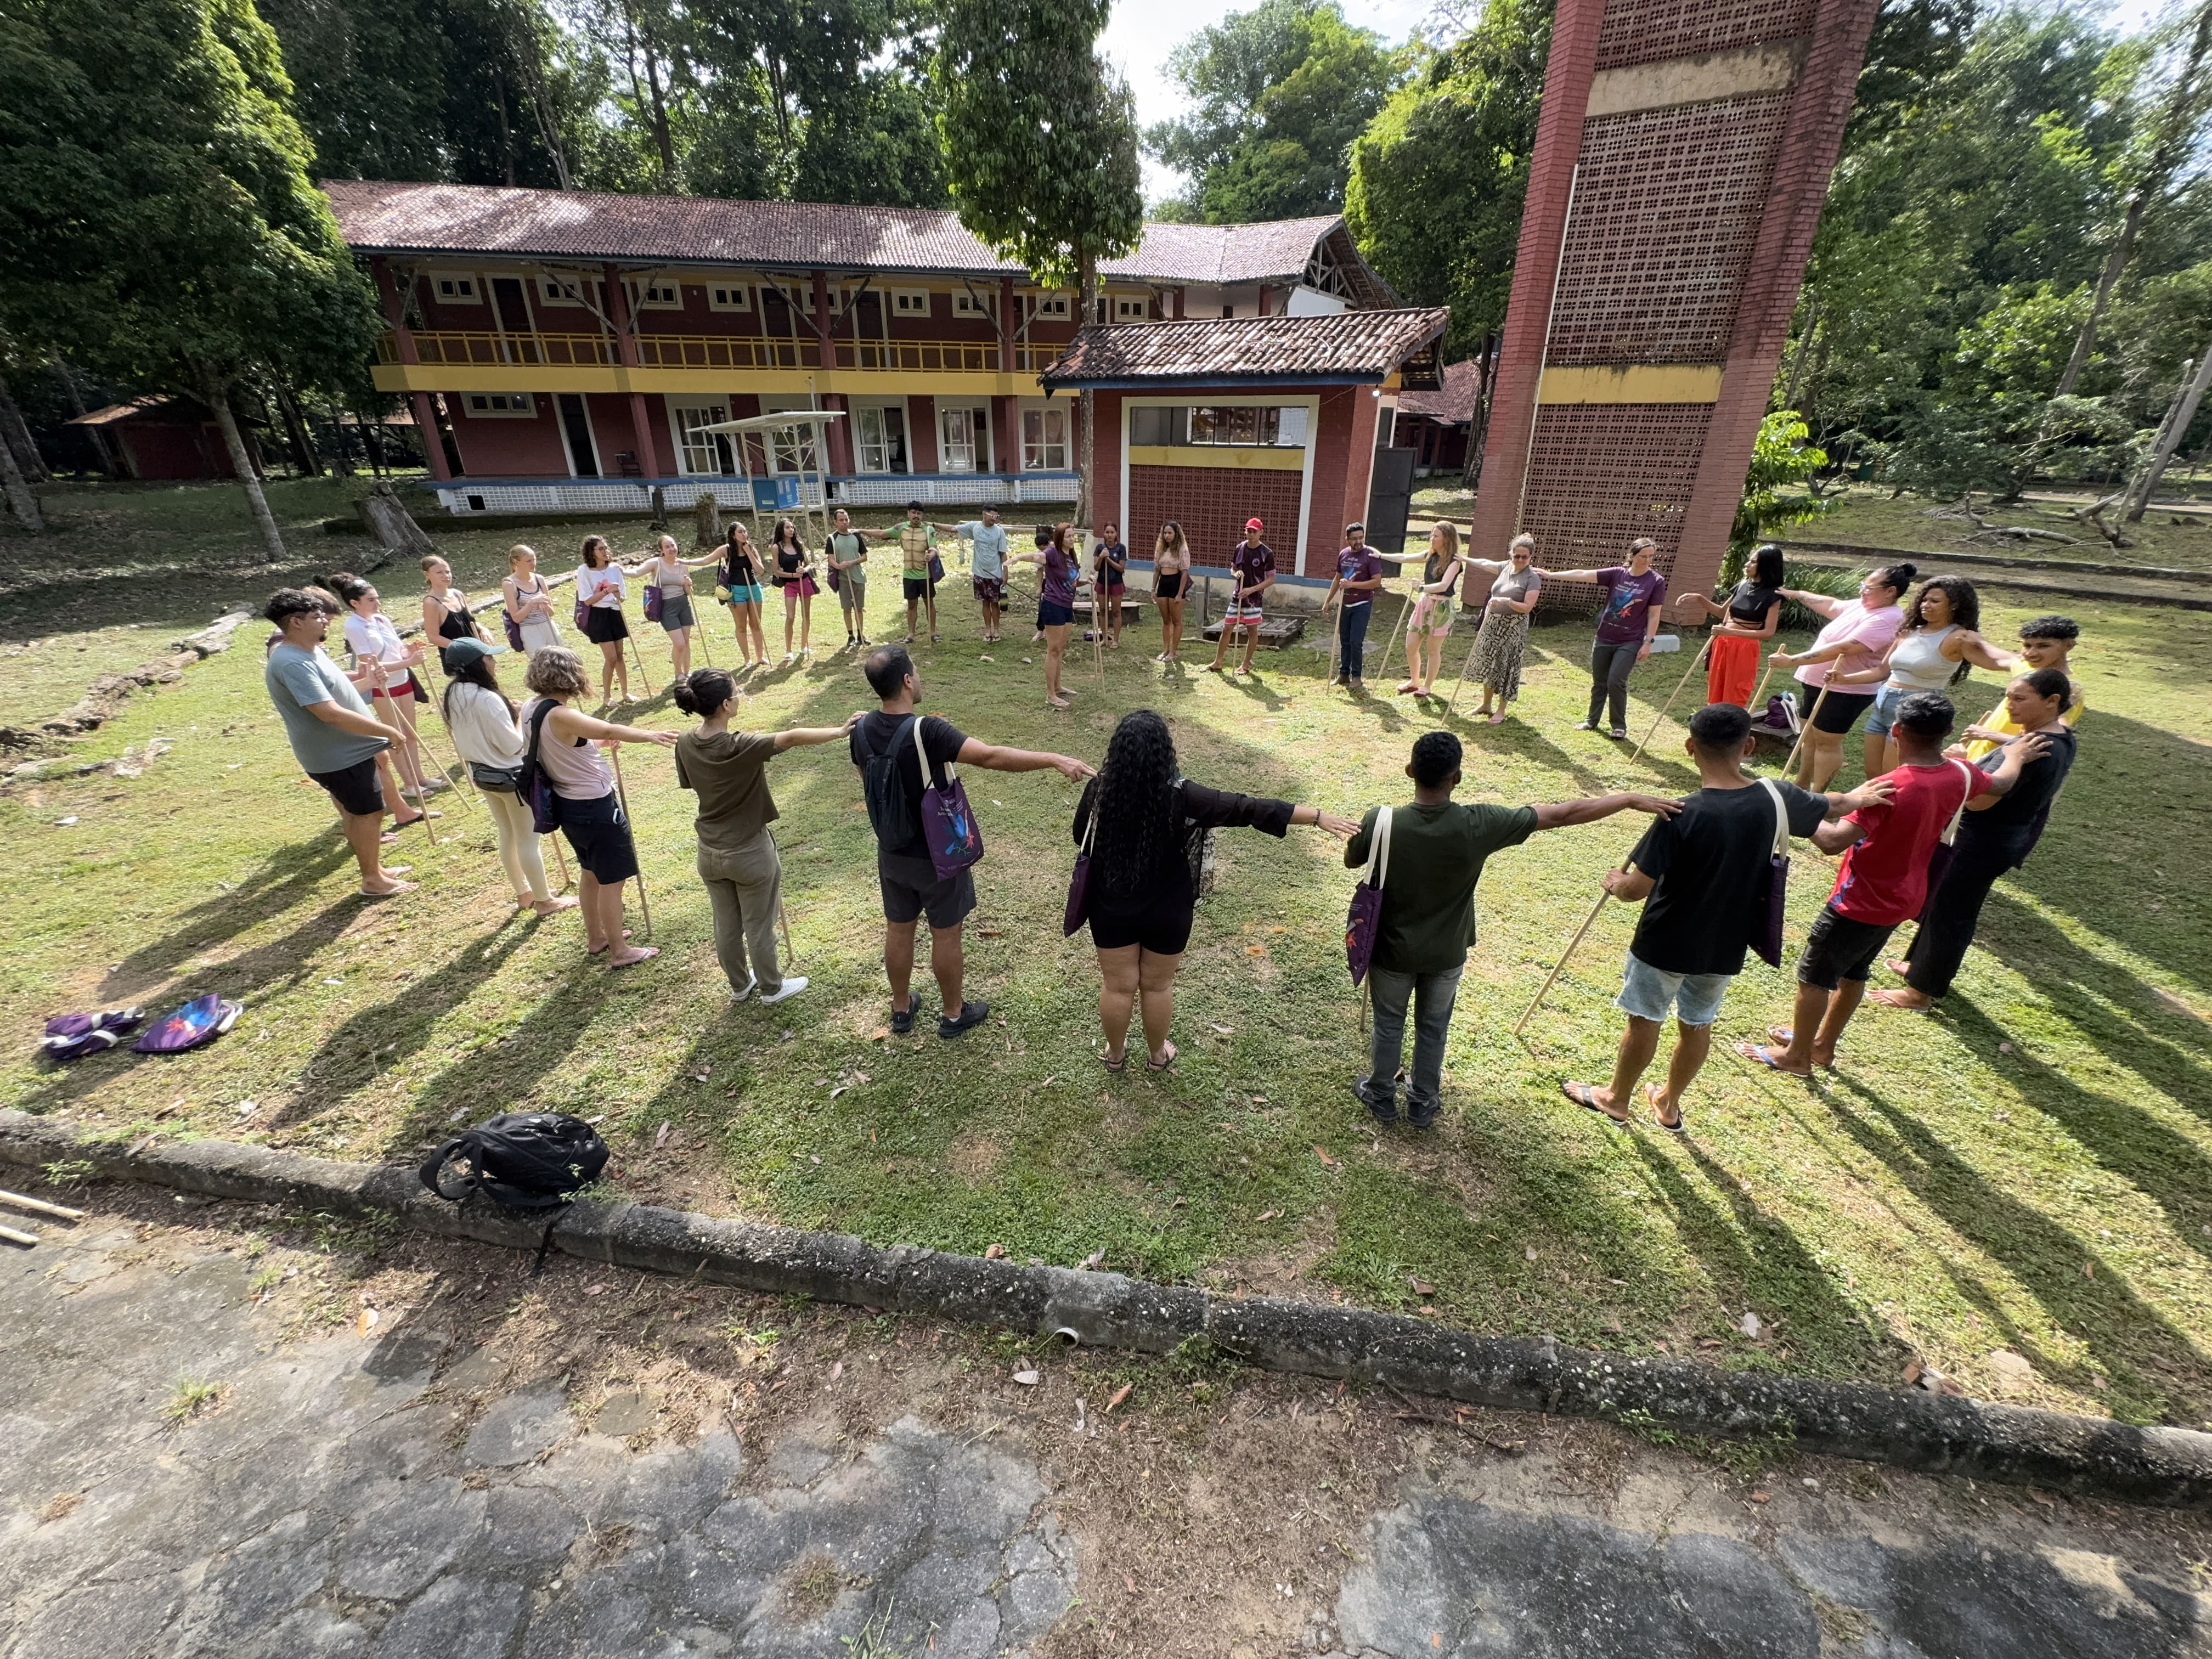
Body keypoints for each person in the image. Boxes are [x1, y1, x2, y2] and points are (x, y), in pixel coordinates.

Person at [1560, 702, 1892, 1130]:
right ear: (1749, 745)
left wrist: (1613, 882)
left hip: (1666, 940)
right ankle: (1668, 1102)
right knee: (1697, 1023)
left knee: (1645, 1020)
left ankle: (1616, 1098)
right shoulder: (1778, 796)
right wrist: (1862, 802)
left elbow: (1635, 889)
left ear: (1689, 747)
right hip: (1727, 940)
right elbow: (1833, 805)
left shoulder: (1679, 812)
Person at [1348, 732, 1678, 1127]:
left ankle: (1381, 1093)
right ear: (1458, 778)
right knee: (1434, 1027)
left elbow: (1354, 860)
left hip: (1390, 952)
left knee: (1389, 1023)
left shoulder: (1381, 821)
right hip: (1447, 953)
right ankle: (1423, 1102)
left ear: (1409, 771)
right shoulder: (1480, 823)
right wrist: (1626, 799)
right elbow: (1562, 814)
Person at [1076, 710, 1357, 1073]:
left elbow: (1080, 837)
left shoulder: (1099, 790)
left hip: (1111, 905)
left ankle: (1115, 1056)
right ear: (1166, 752)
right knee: (1157, 988)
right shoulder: (1186, 796)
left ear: (1118, 751)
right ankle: (1158, 1056)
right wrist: (1316, 816)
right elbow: (1247, 807)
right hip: (1169, 911)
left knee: (1118, 987)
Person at [1735, 692, 2000, 1073]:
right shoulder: (1962, 773)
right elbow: (2000, 782)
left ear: (1896, 732)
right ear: (1949, 732)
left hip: (1860, 900)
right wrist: (2019, 752)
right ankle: (1821, 1046)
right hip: (1904, 897)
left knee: (1814, 977)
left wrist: (1793, 807)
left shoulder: (1889, 787)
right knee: (1853, 972)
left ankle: (1797, 1058)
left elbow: (1831, 841)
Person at [850, 645, 1092, 1037]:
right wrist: (1053, 758)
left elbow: (868, 781)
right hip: (937, 852)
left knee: (899, 928)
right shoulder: (927, 730)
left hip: (891, 851)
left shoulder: (859, 729)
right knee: (945, 933)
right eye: (917, 669)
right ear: (907, 681)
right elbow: (990, 756)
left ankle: (900, 1008)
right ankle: (952, 1014)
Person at [1871, 669, 2078, 1011]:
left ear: (2052, 701)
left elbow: (1980, 799)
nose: (2010, 706)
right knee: (1940, 902)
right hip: (2001, 836)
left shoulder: (2038, 748)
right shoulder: (2056, 736)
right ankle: (1918, 966)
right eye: (2009, 697)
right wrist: (1998, 740)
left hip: (1983, 842)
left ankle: (1921, 992)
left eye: (2020, 699)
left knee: (1953, 913)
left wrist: (1959, 764)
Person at [672, 667, 859, 1005]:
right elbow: (791, 737)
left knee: (726, 924)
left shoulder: (686, 741)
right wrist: (841, 731)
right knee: (758, 924)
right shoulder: (739, 745)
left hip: (709, 850)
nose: (740, 695)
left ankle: (740, 985)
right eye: (736, 692)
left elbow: (691, 783)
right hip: (749, 851)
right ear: (727, 705)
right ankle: (772, 987)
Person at [518, 647, 678, 967]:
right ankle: (620, 950)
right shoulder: (562, 714)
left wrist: (595, 744)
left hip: (568, 805)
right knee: (612, 880)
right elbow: (605, 728)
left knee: (591, 872)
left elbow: (567, 742)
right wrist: (649, 735)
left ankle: (597, 937)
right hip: (592, 805)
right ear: (570, 674)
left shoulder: (531, 708)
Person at [262, 588, 413, 898]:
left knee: (361, 813)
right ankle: (372, 880)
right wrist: (385, 729)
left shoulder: (311, 652)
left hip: (349, 750)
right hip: (337, 755)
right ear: (296, 622)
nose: (325, 621)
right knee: (368, 813)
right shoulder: (293, 662)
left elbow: (337, 691)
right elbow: (327, 712)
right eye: (317, 616)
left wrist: (369, 682)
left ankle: (377, 870)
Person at [440, 636, 574, 917]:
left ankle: (524, 893)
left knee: (507, 834)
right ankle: (544, 900)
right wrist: (515, 716)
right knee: (527, 839)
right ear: (477, 664)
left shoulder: (453, 695)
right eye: (489, 658)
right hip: (510, 776)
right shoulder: (487, 698)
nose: (494, 662)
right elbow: (513, 744)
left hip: (483, 774)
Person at [1835, 575, 2014, 777]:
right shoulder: (1909, 631)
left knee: (1893, 777)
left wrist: (2023, 663)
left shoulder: (1958, 637)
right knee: (1873, 773)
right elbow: (1882, 671)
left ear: (1954, 605)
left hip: (1915, 711)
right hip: (1882, 708)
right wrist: (1843, 679)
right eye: (1925, 600)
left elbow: (1995, 661)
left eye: (1935, 601)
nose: (1926, 605)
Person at [1767, 563, 1915, 791]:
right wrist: (1798, 594)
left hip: (1845, 690)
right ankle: (1801, 785)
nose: (1861, 591)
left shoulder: (1888, 618)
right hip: (1817, 683)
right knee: (1809, 737)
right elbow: (1832, 604)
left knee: (1827, 743)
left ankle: (1818, 797)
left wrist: (1793, 660)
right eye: (1862, 585)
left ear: (1890, 591)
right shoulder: (1862, 606)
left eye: (1868, 587)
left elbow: (1845, 647)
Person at [330, 571, 438, 800]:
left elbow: (396, 647)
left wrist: (409, 651)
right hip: (383, 686)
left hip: (403, 680)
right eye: (371, 600)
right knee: (396, 734)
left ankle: (419, 777)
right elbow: (370, 665)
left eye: (377, 598)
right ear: (354, 603)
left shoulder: (381, 619)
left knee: (410, 732)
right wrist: (409, 662)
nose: (377, 603)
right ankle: (409, 785)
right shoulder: (354, 626)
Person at [1545, 538, 1668, 739]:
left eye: (1651, 557)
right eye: (1643, 556)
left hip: (1631, 640)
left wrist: (1648, 642)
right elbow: (1583, 574)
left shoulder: (1656, 582)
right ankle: (1591, 721)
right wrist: (1551, 575)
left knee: (1615, 681)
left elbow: (1654, 615)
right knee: (1599, 682)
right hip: (1604, 637)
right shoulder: (1617, 574)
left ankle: (1619, 726)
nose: (1647, 561)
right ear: (1632, 556)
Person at [1674, 543, 1782, 708]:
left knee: (1736, 690)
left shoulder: (1774, 594)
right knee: (1716, 687)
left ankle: (1731, 725)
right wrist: (1699, 599)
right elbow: (1722, 613)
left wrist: (1731, 633)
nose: (1747, 565)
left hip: (1745, 648)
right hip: (1722, 643)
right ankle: (1713, 722)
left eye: (1753, 562)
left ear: (1766, 565)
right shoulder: (1742, 586)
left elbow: (1768, 633)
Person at [1962, 615, 2083, 759]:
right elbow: (1998, 658)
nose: (2031, 653)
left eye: (2043, 646)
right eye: (2027, 646)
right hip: (1979, 760)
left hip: (2008, 766)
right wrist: (1979, 641)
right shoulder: (2029, 670)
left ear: (2068, 646)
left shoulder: (2069, 689)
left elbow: (2050, 743)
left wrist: (1988, 734)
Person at [1461, 533, 1543, 722]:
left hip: (1513, 626)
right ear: (1511, 555)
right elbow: (1483, 563)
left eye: (1525, 557)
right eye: (1517, 556)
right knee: (1490, 663)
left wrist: (1507, 601)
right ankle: (1486, 704)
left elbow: (1527, 608)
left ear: (1531, 557)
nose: (1520, 560)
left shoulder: (1532, 578)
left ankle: (1501, 710)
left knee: (1506, 666)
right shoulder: (1505, 568)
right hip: (1493, 623)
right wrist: (1464, 558)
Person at [1011, 523, 1085, 708]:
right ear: (1061, 538)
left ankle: (1058, 686)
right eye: (1069, 536)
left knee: (1060, 648)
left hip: (1067, 606)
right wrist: (1019, 557)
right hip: (1053, 606)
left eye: (1073, 536)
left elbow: (1072, 582)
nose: (1073, 539)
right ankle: (1050, 695)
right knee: (1053, 650)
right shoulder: (1053, 553)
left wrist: (1086, 581)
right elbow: (1038, 557)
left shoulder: (1071, 556)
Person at [1396, 523, 1466, 699]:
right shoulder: (1430, 555)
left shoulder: (1455, 562)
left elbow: (1444, 585)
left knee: (1433, 650)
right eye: (1432, 535)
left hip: (1442, 607)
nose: (1431, 539)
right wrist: (1379, 555)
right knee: (1410, 645)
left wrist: (1421, 588)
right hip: (1425, 603)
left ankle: (1427, 686)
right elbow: (1405, 557)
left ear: (1447, 539)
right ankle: (1414, 681)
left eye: (1436, 536)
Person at [641, 532, 719, 681]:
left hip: (683, 604)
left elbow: (688, 592)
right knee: (679, 643)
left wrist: (688, 584)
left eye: (673, 545)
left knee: (686, 641)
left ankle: (687, 672)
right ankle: (678, 673)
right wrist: (622, 571)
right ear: (662, 550)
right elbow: (638, 571)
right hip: (667, 606)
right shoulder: (656, 563)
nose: (671, 549)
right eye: (667, 547)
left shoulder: (682, 565)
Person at [1207, 517, 1276, 675]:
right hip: (1237, 596)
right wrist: (1235, 573)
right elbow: (1233, 569)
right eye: (1249, 531)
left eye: (1254, 531)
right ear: (1245, 531)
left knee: (1252, 631)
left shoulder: (1267, 553)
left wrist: (1252, 590)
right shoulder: (1240, 548)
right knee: (1227, 628)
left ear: (1261, 532)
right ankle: (1218, 662)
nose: (1251, 534)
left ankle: (1245, 665)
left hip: (1254, 600)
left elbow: (1271, 580)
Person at [574, 534, 637, 706]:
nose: (605, 551)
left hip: (615, 612)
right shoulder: (584, 571)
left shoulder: (615, 569)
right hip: (598, 615)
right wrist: (606, 592)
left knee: (619, 656)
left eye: (606, 548)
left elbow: (623, 596)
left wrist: (618, 595)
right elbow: (587, 600)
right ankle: (607, 697)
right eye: (600, 549)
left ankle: (625, 693)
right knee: (610, 658)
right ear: (592, 552)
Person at [1322, 522, 1385, 692]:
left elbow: (1377, 582)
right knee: (1345, 641)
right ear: (1347, 539)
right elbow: (1338, 579)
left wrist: (1352, 586)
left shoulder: (1370, 555)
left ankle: (1357, 676)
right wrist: (1328, 601)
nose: (1358, 542)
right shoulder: (1343, 554)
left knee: (1356, 641)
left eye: (1361, 538)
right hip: (1345, 604)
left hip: (1362, 604)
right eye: (1354, 539)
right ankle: (1344, 674)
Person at [944, 506, 1009, 642]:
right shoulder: (975, 528)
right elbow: (953, 529)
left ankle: (997, 630)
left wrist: (1005, 573)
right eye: (992, 516)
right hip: (980, 573)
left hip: (995, 574)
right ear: (984, 515)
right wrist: (932, 525)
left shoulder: (999, 532)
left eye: (996, 517)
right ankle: (988, 630)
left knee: (995, 603)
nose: (994, 520)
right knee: (985, 603)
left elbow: (1003, 554)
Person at [881, 501, 940, 644]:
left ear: (922, 515)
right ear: (908, 513)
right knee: (911, 605)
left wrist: (931, 555)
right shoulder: (901, 528)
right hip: (909, 575)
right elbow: (882, 533)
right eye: (913, 513)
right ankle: (911, 634)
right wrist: (859, 531)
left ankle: (933, 632)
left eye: (919, 513)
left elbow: (934, 547)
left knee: (929, 603)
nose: (916, 516)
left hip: (925, 575)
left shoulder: (928, 530)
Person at [715, 522, 770, 672]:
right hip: (736, 590)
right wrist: (685, 562)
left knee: (756, 624)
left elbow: (760, 570)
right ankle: (747, 659)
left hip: (753, 588)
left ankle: (760, 657)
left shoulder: (751, 548)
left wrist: (749, 552)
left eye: (745, 531)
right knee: (741, 626)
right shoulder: (727, 550)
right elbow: (705, 560)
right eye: (740, 532)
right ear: (733, 535)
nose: (744, 534)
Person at [824, 507, 873, 650]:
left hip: (858, 577)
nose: (845, 522)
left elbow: (864, 556)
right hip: (843, 578)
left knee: (859, 608)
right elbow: (830, 558)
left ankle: (860, 634)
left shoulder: (856, 536)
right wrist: (839, 566)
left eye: (846, 519)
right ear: (835, 522)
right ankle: (850, 635)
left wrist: (852, 562)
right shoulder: (832, 539)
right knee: (847, 608)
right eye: (841, 520)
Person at [771, 518, 817, 663]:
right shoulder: (776, 548)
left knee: (806, 614)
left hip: (803, 582)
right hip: (790, 584)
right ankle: (789, 650)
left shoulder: (799, 545)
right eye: (787, 528)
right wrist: (792, 575)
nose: (791, 530)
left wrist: (804, 569)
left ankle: (804, 645)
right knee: (790, 617)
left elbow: (810, 565)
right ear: (781, 530)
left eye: (792, 528)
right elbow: (776, 571)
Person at [503, 544, 562, 656]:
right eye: (529, 561)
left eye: (534, 559)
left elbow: (552, 612)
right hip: (529, 630)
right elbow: (516, 618)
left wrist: (545, 605)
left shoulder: (539, 579)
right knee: (541, 666)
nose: (533, 563)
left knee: (561, 661)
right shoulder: (509, 584)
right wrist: (531, 603)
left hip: (548, 625)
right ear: (516, 562)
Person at [421, 555, 488, 650]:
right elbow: (433, 637)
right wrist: (463, 648)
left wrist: (483, 629)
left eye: (448, 572)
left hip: (477, 650)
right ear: (427, 575)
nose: (446, 576)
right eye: (439, 573)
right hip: (457, 657)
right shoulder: (431, 602)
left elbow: (470, 622)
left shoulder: (458, 594)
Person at [1150, 520, 1190, 663]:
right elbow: (1157, 570)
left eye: (1170, 533)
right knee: (1166, 621)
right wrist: (1153, 589)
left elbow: (1184, 573)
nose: (1167, 536)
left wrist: (1180, 594)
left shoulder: (1181, 549)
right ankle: (1166, 649)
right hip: (1163, 584)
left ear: (1176, 534)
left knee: (1177, 620)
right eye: (1165, 533)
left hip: (1175, 583)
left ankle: (1174, 651)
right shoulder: (1161, 549)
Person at [1093, 522, 1128, 647]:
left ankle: (1116, 640)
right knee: (1103, 610)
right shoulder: (1100, 548)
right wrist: (1101, 557)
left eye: (1112, 532)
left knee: (1116, 611)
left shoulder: (1121, 548)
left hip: (1116, 583)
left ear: (1116, 534)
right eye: (1107, 532)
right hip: (1102, 582)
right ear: (1104, 533)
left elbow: (1121, 568)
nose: (1109, 535)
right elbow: (1096, 568)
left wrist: (1109, 560)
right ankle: (1104, 638)